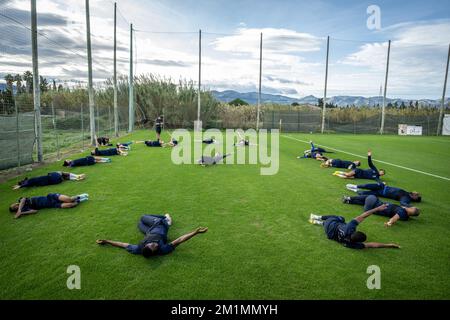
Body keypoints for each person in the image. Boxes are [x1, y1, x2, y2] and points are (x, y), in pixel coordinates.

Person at [96, 214, 208, 258]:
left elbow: (122, 245)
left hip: (149, 231)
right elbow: (179, 240)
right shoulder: (163, 249)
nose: (153, 243)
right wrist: (196, 232)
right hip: (160, 226)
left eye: (150, 244)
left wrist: (106, 241)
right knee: (143, 221)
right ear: (155, 251)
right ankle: (166, 220)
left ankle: (163, 218)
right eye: (154, 245)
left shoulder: (139, 249)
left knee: (141, 218)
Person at [308, 204, 401, 249]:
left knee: (340, 218)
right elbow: (372, 245)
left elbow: (363, 215)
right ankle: (317, 222)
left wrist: (377, 208)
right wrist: (388, 245)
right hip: (329, 234)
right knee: (340, 222)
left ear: (355, 231)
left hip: (331, 224)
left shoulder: (350, 227)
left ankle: (317, 217)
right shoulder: (351, 244)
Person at [342, 194, 420, 227]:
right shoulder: (406, 216)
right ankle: (349, 201)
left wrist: (390, 222)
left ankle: (349, 198)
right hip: (371, 209)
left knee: (371, 196)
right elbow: (401, 211)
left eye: (411, 207)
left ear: (411, 210)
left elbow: (395, 218)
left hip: (374, 206)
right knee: (366, 201)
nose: (410, 207)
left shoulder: (402, 212)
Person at [9, 193, 89, 219]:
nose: (15, 204)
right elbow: (34, 211)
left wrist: (19, 210)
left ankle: (80, 196)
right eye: (14, 207)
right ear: (14, 209)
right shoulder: (24, 209)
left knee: (69, 199)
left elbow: (23, 199)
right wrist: (22, 213)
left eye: (14, 204)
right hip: (52, 204)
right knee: (70, 205)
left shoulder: (21, 201)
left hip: (51, 196)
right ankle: (80, 200)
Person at [345, 182, 421, 206]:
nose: (416, 194)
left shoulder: (406, 198)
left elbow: (402, 203)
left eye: (416, 196)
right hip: (383, 186)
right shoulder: (408, 193)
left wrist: (410, 206)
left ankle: (356, 190)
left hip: (381, 193)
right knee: (367, 185)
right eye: (416, 194)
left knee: (363, 193)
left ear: (415, 199)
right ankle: (355, 186)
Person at [12, 172, 85, 190]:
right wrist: (20, 186)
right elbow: (26, 183)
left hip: (54, 182)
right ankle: (77, 176)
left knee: (65, 178)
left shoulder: (33, 183)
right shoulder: (30, 181)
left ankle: (77, 178)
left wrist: (20, 185)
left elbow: (26, 183)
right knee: (62, 173)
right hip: (52, 177)